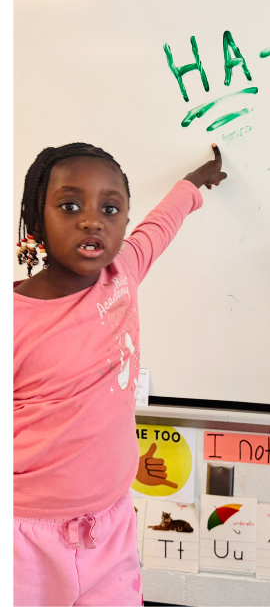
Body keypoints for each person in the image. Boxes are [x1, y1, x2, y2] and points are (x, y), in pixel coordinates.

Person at [14, 142, 227, 606]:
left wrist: (196, 181)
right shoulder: (13, 317)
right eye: (70, 206)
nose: (92, 220)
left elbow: (161, 224)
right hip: (23, 538)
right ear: (36, 218)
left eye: (110, 209)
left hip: (108, 530)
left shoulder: (122, 272)